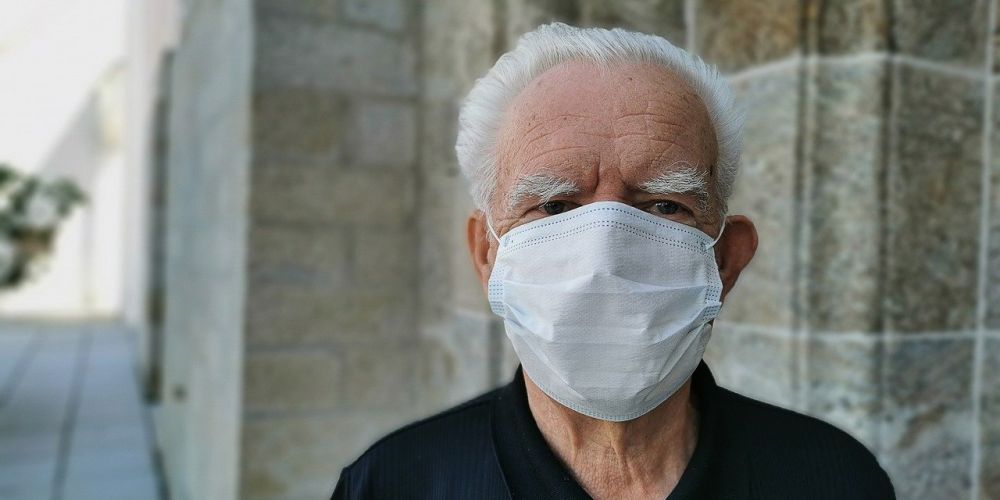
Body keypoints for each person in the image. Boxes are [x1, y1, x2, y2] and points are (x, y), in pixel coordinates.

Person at [332, 22, 895, 500]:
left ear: (724, 259)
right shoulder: (393, 484)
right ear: (488, 254)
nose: (605, 256)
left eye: (663, 205)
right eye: (553, 205)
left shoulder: (834, 479)